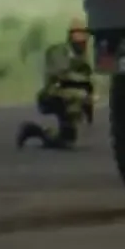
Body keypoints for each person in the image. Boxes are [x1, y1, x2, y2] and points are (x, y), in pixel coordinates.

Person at [16, 16, 96, 150]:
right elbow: (61, 74)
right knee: (79, 96)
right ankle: (32, 129)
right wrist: (82, 82)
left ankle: (37, 131)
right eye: (78, 36)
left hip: (67, 94)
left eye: (84, 37)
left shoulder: (80, 56)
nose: (81, 41)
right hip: (52, 93)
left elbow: (86, 81)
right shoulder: (59, 51)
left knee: (64, 141)